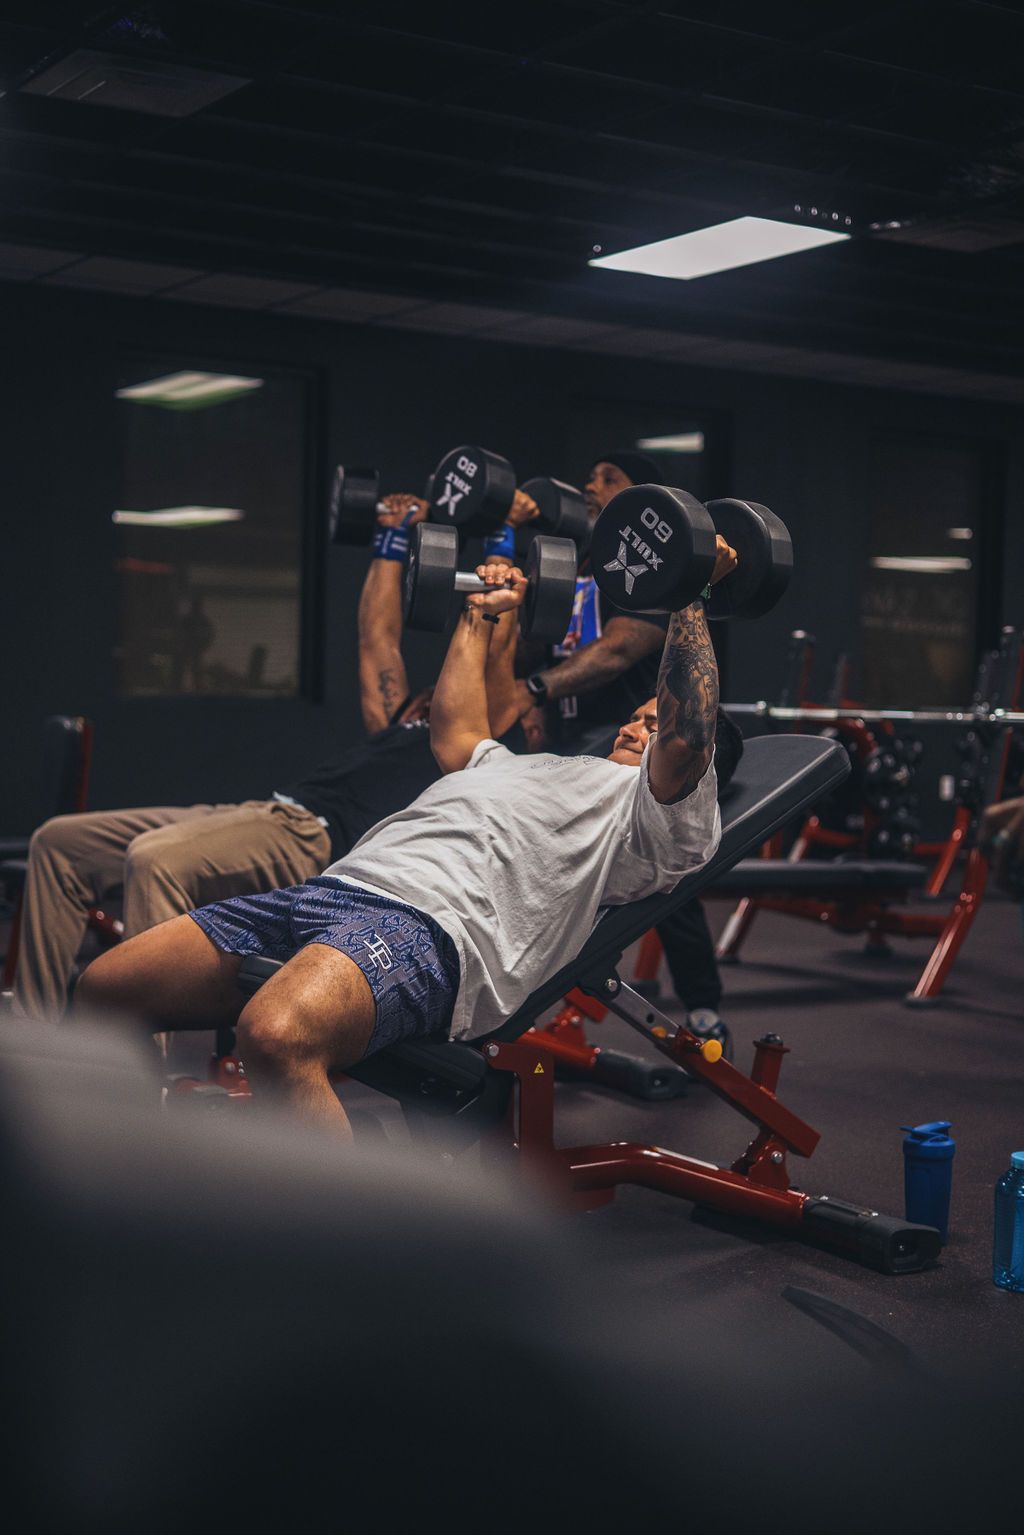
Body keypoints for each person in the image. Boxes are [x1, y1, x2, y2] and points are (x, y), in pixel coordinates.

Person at [76, 534, 737, 1136]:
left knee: (276, 1034)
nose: (634, 726)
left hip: (430, 930)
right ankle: (127, 1181)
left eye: (650, 724)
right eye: (635, 715)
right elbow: (455, 732)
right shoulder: (544, 766)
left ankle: (349, 1257)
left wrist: (689, 592)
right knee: (103, 990)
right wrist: (481, 612)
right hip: (329, 889)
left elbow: (687, 730)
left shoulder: (657, 817)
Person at [11, 494, 526, 1020]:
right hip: (264, 812)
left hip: (312, 837)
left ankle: (143, 1084)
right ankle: (35, 1037)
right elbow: (377, 638)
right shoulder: (405, 717)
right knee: (58, 842)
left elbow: (499, 657)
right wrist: (391, 539)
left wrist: (502, 549)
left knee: (154, 859)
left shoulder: (488, 736)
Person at [515, 449, 742, 1051]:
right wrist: (535, 701)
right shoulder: (581, 561)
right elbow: (544, 642)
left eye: (609, 478)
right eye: (589, 477)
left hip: (632, 730)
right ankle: (552, 992)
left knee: (662, 871)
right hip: (570, 729)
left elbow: (622, 648)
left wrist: (534, 688)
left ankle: (701, 1005)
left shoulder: (652, 563)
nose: (592, 486)